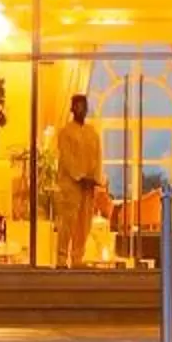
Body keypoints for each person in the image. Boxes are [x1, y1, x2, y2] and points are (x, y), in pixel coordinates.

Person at [51, 91, 107, 265]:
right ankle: (61, 259)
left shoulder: (92, 133)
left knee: (84, 224)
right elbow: (67, 158)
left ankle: (77, 258)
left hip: (88, 186)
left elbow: (98, 157)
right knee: (68, 222)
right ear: (72, 108)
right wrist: (80, 177)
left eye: (84, 106)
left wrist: (94, 179)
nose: (81, 109)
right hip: (71, 185)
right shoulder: (65, 132)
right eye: (78, 106)